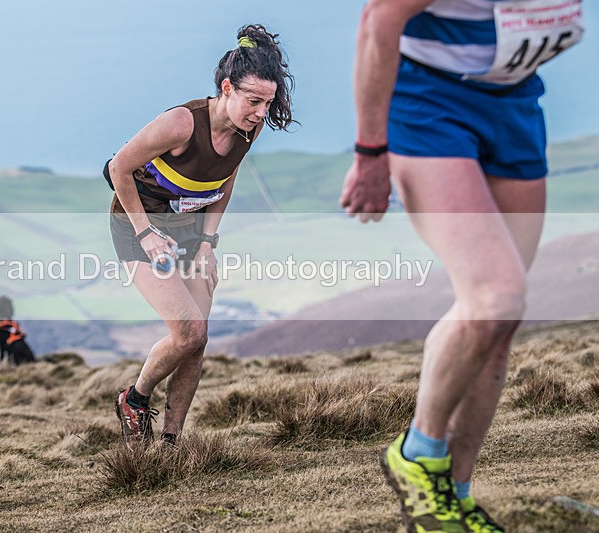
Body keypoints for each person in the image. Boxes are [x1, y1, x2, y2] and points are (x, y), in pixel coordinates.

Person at [341, 1, 583, 531]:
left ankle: (453, 498)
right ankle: (417, 452)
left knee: (500, 323)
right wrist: (370, 153)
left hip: (516, 102)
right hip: (429, 106)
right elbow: (378, 18)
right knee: (495, 297)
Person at [106, 24, 295, 446]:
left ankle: (170, 442)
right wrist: (147, 234)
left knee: (197, 342)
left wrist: (209, 243)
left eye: (267, 102)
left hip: (192, 231)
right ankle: (134, 399)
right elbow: (118, 168)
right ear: (226, 88)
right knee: (188, 331)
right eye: (253, 101)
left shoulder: (250, 125)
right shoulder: (179, 124)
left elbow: (226, 178)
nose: (261, 112)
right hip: (138, 226)